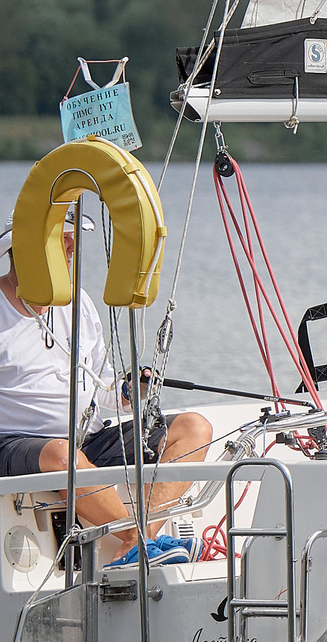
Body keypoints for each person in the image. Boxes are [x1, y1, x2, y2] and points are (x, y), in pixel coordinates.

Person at [0, 225, 211, 565]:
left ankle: (143, 540)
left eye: (72, 237)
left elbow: (104, 384)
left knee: (194, 428)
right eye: (60, 236)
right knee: (63, 455)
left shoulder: (77, 301)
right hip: (18, 444)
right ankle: (136, 539)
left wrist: (130, 389)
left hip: (89, 438)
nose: (72, 245)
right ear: (23, 248)